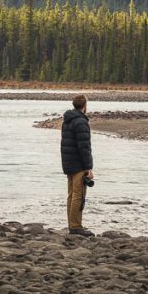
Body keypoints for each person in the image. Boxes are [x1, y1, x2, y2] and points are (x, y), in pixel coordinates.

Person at [60, 94, 94, 236]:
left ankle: (72, 224)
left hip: (68, 162)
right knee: (78, 195)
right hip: (78, 164)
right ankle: (75, 226)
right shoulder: (81, 122)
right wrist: (88, 167)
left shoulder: (67, 120)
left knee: (72, 195)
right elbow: (84, 147)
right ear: (84, 106)